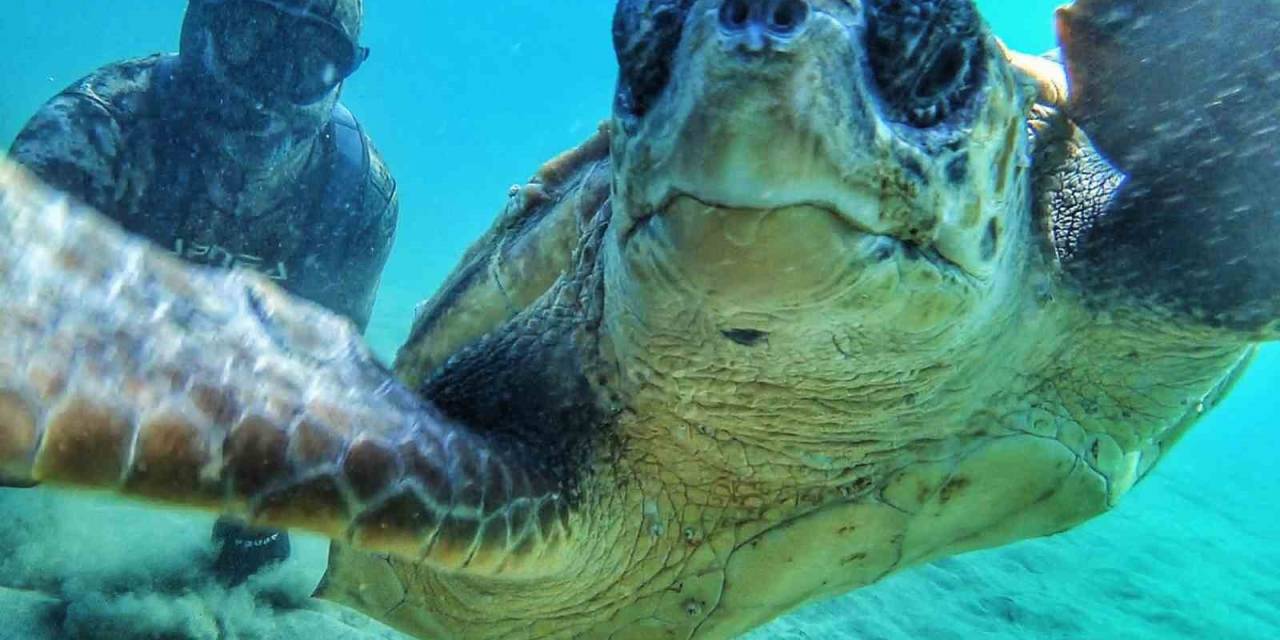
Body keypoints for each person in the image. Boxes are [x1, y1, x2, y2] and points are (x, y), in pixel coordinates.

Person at [8, 0, 398, 586]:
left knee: (265, 511)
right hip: (88, 347)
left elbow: (323, 377)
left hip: (244, 376)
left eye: (309, 57)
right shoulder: (93, 131)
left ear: (344, 69)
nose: (267, 82)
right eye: (249, 34)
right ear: (203, 24)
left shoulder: (358, 195)